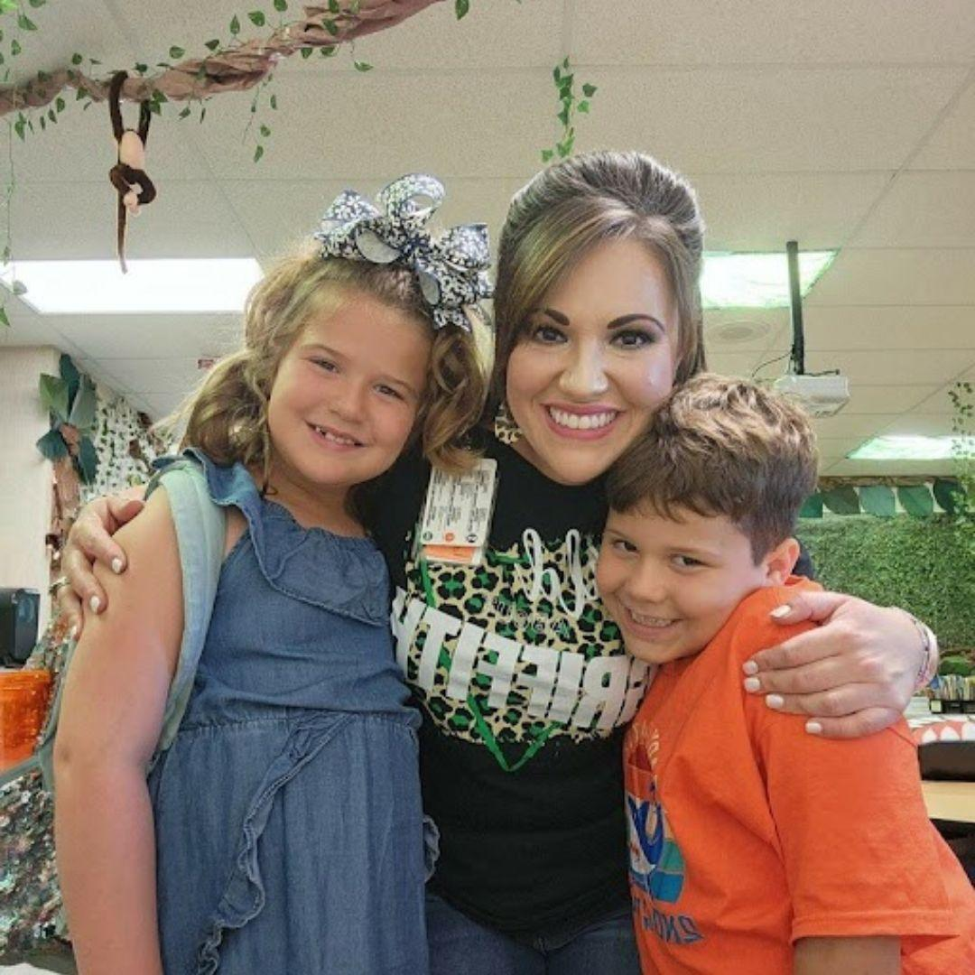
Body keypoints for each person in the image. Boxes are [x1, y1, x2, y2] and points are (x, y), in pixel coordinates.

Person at [57, 151, 938, 975]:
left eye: (629, 337)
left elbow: (799, 622)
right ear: (503, 335)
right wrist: (134, 514)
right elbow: (287, 478)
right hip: (438, 902)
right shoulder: (424, 455)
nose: (584, 379)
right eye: (548, 331)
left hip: (619, 906)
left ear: (681, 348)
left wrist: (906, 640)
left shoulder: (693, 500)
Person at [53, 175, 489, 975]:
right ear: (272, 356)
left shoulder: (398, 541)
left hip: (373, 930)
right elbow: (91, 762)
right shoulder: (194, 520)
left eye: (389, 388)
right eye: (325, 362)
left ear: (423, 411)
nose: (350, 404)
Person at [596, 373, 975, 974]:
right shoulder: (673, 656)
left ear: (776, 565)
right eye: (622, 546)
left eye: (687, 560)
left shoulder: (800, 659)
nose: (642, 588)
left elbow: (855, 934)